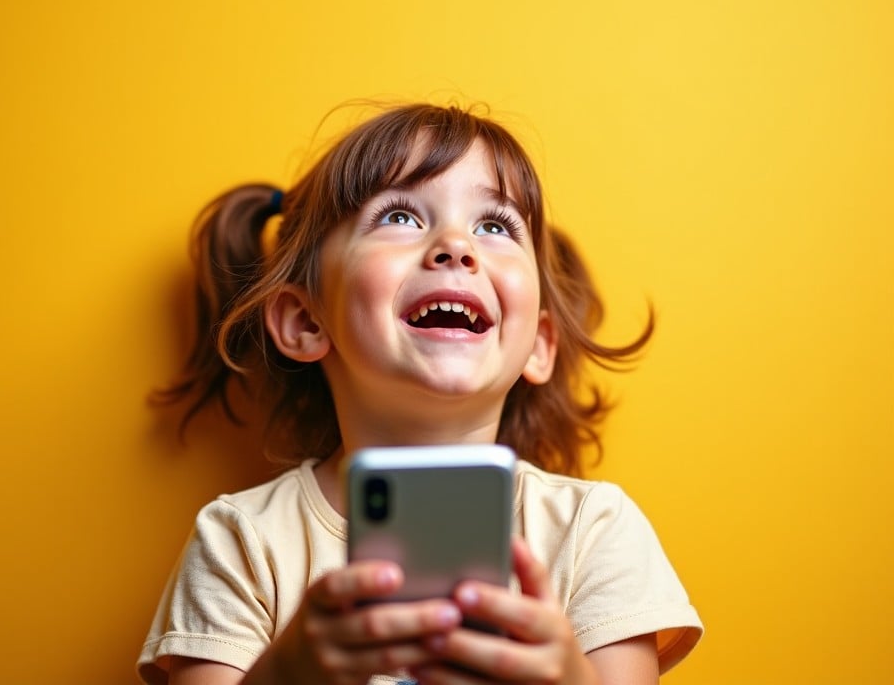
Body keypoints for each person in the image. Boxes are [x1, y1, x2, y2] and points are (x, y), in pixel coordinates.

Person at [138, 103, 703, 685]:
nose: (457, 245)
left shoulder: (594, 530)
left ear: (538, 342)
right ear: (305, 321)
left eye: (495, 226)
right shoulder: (241, 540)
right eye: (401, 216)